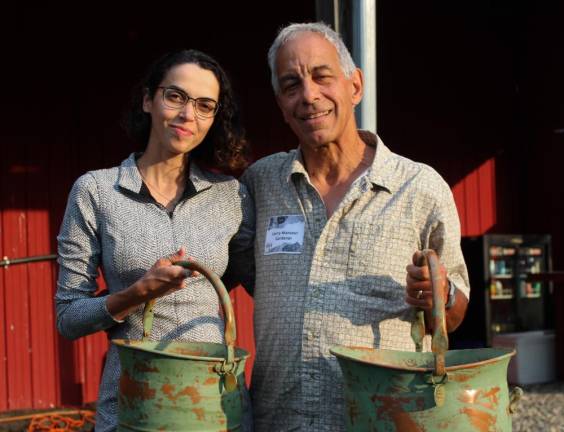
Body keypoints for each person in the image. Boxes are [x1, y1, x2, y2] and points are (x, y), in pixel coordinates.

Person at [240, 22, 470, 430]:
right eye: (291, 85)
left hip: (381, 420)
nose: (309, 96)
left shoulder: (419, 187)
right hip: (280, 419)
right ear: (281, 104)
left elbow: (453, 310)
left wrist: (441, 293)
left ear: (355, 86)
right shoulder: (261, 183)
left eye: (322, 77)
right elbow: (241, 270)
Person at [55, 49, 254, 431]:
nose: (187, 115)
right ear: (148, 99)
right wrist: (136, 294)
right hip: (135, 403)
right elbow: (68, 318)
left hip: (213, 406)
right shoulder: (96, 191)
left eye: (204, 105)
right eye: (175, 96)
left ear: (214, 118)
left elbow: (263, 282)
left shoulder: (230, 195)